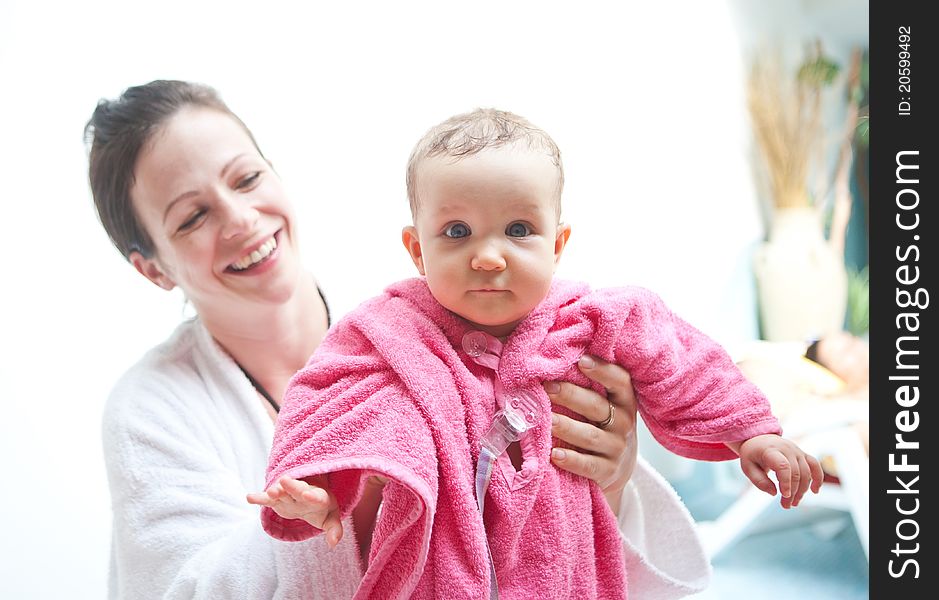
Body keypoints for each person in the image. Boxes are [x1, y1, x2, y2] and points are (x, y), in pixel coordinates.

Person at [88, 81, 710, 599]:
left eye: (246, 179)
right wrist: (361, 495)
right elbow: (184, 587)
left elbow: (538, 530)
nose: (240, 218)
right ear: (154, 267)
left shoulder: (430, 308)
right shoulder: (149, 411)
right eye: (193, 216)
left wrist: (609, 477)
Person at [248, 109, 824, 599]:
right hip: (437, 564)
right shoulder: (389, 332)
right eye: (456, 232)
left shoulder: (596, 321)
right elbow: (327, 396)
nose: (489, 256)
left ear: (558, 243)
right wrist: (317, 485)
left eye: (519, 228)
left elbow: (685, 359)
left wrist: (752, 432)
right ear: (416, 249)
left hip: (563, 558)